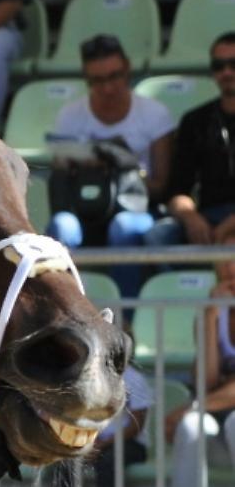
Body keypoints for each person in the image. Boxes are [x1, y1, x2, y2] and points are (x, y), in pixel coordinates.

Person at [45, 33, 174, 296]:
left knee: (124, 226)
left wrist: (122, 173)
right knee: (61, 225)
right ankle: (65, 305)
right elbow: (60, 179)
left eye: (115, 76)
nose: (107, 88)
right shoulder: (69, 115)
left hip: (136, 207)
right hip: (83, 208)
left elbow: (162, 186)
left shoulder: (154, 114)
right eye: (97, 80)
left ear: (127, 70)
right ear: (86, 79)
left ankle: (126, 310)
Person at [163, 257, 235, 487]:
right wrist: (210, 317)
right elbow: (206, 381)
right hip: (214, 408)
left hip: (226, 415)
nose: (229, 269)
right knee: (190, 428)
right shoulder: (211, 310)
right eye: (224, 261)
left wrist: (193, 405)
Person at [48, 351, 151, 487]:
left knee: (109, 461)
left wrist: (101, 444)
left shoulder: (133, 378)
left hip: (127, 442)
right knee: (64, 458)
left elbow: (136, 425)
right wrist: (82, 443)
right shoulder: (82, 375)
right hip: (88, 440)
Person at [143, 31, 235, 253]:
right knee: (158, 236)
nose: (227, 72)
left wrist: (231, 225)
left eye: (234, 64)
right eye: (219, 66)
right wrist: (190, 216)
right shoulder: (195, 120)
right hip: (209, 216)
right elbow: (177, 190)